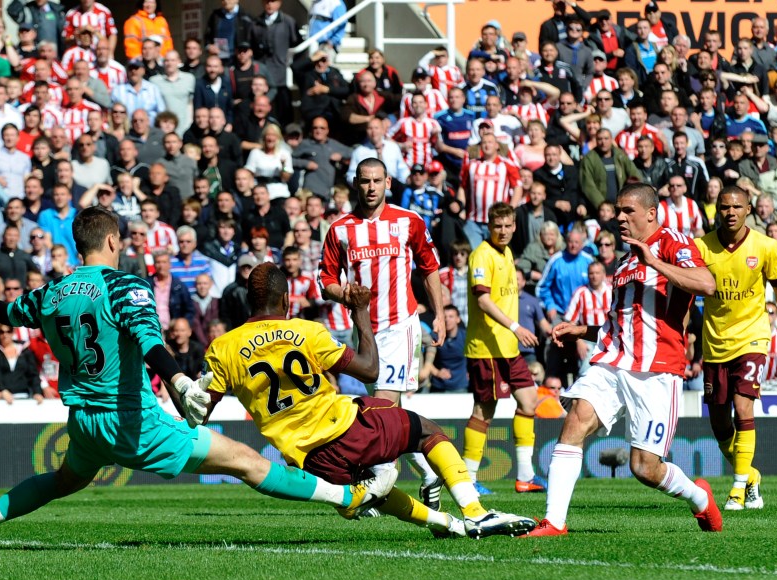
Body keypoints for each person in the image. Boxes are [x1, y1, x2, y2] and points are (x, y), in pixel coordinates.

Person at [0, 207, 394, 552]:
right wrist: (180, 384)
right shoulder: (123, 285)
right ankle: (348, 495)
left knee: (62, 480)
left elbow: (7, 311)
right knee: (247, 461)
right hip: (130, 419)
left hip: (83, 421)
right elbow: (151, 343)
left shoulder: (53, 291)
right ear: (113, 242)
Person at [204, 262, 537, 538]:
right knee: (425, 430)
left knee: (371, 489)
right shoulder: (307, 331)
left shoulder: (223, 347)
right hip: (344, 427)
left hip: (308, 459)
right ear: (287, 299)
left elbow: (200, 411)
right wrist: (361, 312)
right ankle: (475, 512)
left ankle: (447, 525)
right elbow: (369, 369)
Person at [523, 183, 723, 537]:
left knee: (644, 468)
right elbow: (623, 326)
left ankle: (700, 499)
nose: (619, 217)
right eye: (617, 210)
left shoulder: (673, 243)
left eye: (627, 211)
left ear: (651, 212)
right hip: (613, 363)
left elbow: (707, 284)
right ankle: (554, 521)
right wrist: (581, 330)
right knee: (575, 421)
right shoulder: (626, 258)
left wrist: (656, 262)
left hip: (656, 371)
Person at [319, 157, 447, 508]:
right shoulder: (340, 229)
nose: (371, 187)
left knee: (382, 408)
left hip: (399, 325)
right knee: (383, 414)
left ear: (388, 182)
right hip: (364, 331)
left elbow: (429, 266)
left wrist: (437, 314)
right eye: (365, 181)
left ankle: (376, 488)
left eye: (377, 180)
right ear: (356, 184)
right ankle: (428, 473)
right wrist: (346, 294)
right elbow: (326, 280)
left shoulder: (409, 222)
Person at [695, 186, 777, 511]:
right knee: (720, 424)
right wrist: (685, 334)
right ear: (717, 210)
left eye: (737, 206)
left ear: (748, 209)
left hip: (752, 337)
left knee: (743, 408)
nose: (730, 212)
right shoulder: (702, 247)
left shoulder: (765, 246)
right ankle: (750, 474)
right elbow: (687, 292)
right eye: (724, 207)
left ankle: (737, 490)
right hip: (715, 341)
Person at [463, 203, 546, 495]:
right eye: (498, 226)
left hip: (508, 348)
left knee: (529, 401)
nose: (504, 231)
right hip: (487, 348)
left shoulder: (507, 252)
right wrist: (516, 326)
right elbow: (484, 301)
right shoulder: (481, 256)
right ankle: (468, 478)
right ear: (489, 226)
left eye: (508, 225)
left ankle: (526, 476)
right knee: (484, 413)